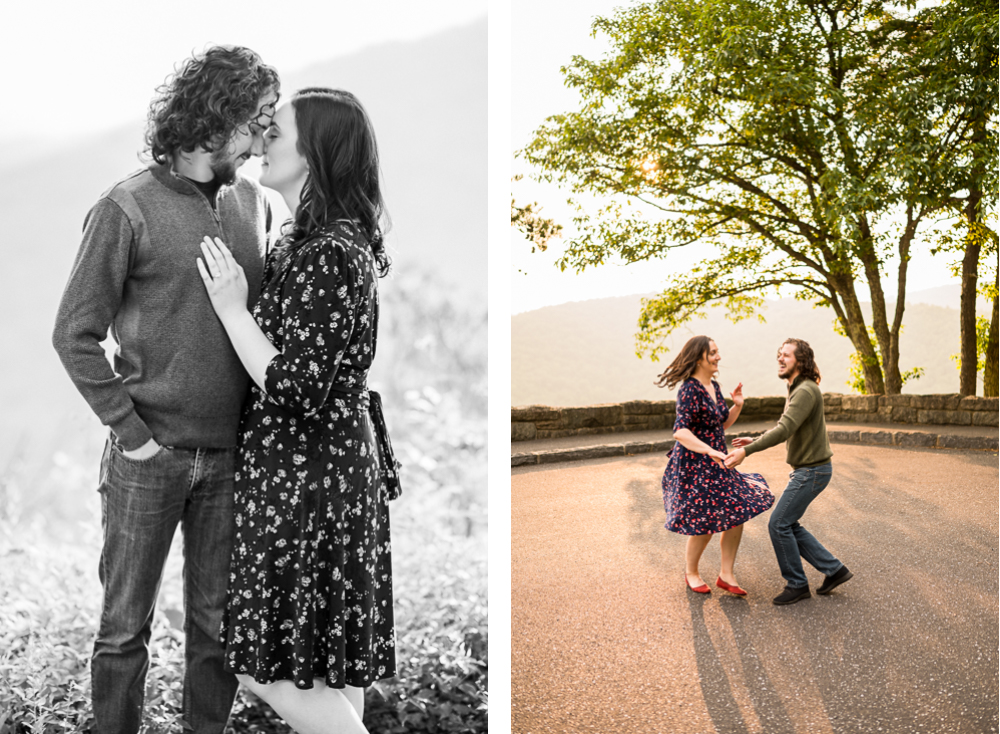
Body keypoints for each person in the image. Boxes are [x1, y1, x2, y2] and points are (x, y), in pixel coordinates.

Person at [51, 47, 279, 733]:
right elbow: (74, 333)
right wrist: (134, 436)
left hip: (231, 460)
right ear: (217, 115)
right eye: (258, 120)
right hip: (149, 460)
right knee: (124, 630)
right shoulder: (126, 208)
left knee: (214, 632)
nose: (266, 137)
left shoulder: (258, 204)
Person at [196, 87, 399, 734]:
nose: (261, 141)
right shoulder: (308, 242)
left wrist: (231, 308)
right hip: (324, 470)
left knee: (265, 663)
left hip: (309, 477)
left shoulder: (327, 254)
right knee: (331, 665)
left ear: (314, 152)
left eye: (275, 132)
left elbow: (293, 386)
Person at [725, 338, 853, 605]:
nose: (780, 359)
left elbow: (784, 429)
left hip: (812, 471)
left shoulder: (805, 390)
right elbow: (788, 426)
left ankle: (797, 584)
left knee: (778, 524)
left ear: (801, 360)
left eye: (787, 356)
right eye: (779, 355)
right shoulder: (799, 388)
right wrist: (756, 439)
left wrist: (746, 452)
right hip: (810, 470)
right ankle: (834, 570)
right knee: (789, 524)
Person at [657, 336, 774, 596]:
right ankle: (691, 572)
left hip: (718, 461)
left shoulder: (714, 385)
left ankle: (726, 574)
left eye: (718, 352)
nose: (718, 357)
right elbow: (681, 432)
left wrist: (738, 406)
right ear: (699, 358)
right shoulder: (689, 389)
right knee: (703, 522)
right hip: (695, 464)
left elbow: (718, 426)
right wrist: (710, 450)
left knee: (737, 511)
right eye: (713, 353)